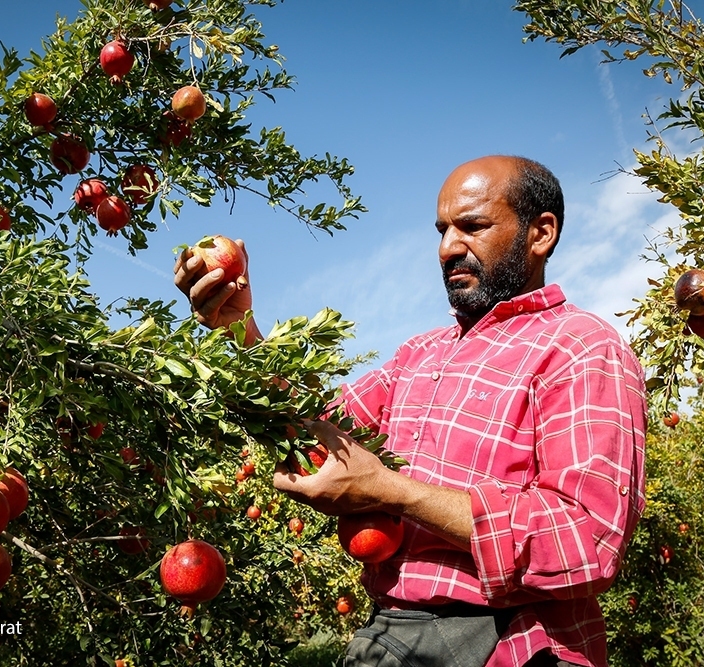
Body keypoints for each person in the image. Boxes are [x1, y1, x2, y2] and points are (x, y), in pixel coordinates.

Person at [173, 155, 647, 667]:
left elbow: (587, 537)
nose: (448, 248)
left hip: (517, 644)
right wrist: (239, 329)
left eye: (473, 226)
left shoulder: (581, 346)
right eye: (442, 230)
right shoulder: (418, 355)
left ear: (541, 234)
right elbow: (316, 431)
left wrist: (389, 490)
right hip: (392, 634)